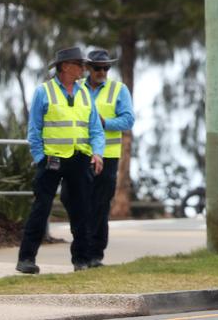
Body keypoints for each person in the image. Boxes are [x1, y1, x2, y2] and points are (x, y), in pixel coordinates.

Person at [17, 47, 104, 274]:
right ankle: (26, 259)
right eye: (79, 64)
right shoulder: (43, 92)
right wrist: (40, 157)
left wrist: (97, 153)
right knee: (40, 208)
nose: (84, 69)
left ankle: (81, 261)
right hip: (51, 160)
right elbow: (34, 130)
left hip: (79, 159)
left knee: (81, 210)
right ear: (65, 66)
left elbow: (95, 129)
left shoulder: (85, 93)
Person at [79, 49, 134, 268]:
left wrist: (105, 123)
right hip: (80, 154)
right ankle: (82, 250)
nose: (102, 72)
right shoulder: (76, 88)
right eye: (98, 68)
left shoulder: (118, 89)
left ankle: (94, 254)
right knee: (77, 202)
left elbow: (128, 120)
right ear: (88, 69)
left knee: (100, 206)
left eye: (106, 68)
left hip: (108, 157)